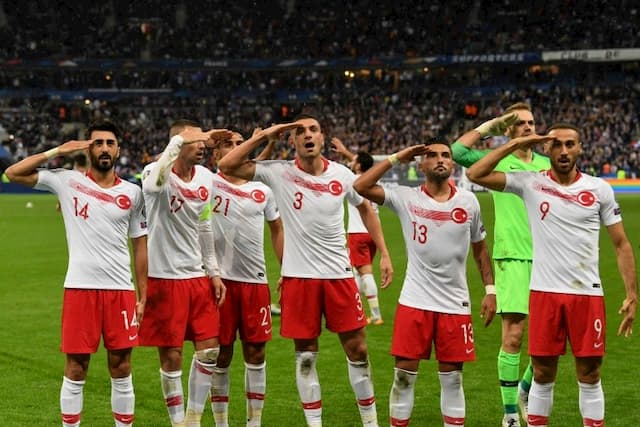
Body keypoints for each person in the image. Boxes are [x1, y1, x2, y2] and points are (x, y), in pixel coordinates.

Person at [218, 116, 393, 427]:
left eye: (314, 130)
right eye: (300, 132)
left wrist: (385, 254)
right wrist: (267, 135)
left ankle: (371, 422)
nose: (308, 135)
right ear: (292, 141)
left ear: (323, 138)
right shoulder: (279, 172)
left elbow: (365, 207)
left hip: (339, 276)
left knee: (359, 349)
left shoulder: (342, 174)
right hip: (299, 279)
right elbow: (228, 166)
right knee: (306, 356)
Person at [466, 123, 638, 427]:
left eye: (570, 144)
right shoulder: (529, 183)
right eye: (556, 145)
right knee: (543, 374)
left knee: (590, 374)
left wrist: (632, 293)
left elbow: (621, 243)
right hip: (544, 293)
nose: (563, 151)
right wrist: (515, 142)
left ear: (581, 148)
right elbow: (474, 173)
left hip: (587, 293)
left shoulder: (599, 189)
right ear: (545, 148)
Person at [5, 120, 148, 427]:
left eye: (110, 143)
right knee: (76, 367)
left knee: (121, 366)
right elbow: (12, 173)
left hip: (120, 291)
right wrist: (56, 150)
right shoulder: (67, 181)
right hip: (80, 289)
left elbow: (140, 246)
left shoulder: (133, 194)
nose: (105, 148)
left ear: (119, 149)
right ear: (88, 147)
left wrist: (143, 295)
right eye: (98, 143)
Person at [353, 139, 497, 427]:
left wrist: (490, 290)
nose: (440, 159)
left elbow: (480, 250)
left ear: (452, 164)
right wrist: (397, 156)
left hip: (455, 304)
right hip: (414, 301)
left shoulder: (468, 202)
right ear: (421, 164)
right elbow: (361, 187)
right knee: (403, 378)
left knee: (453, 380)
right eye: (432, 155)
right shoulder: (406, 198)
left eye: (445, 155)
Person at [452, 103, 549, 426]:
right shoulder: (498, 160)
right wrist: (491, 126)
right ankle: (509, 416)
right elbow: (457, 151)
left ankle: (523, 388)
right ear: (508, 129)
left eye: (531, 122)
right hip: (514, 256)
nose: (527, 127)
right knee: (515, 336)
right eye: (519, 123)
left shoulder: (547, 164)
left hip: (551, 257)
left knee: (553, 337)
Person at [139, 119, 231, 427]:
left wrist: (214, 272)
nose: (203, 145)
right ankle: (178, 422)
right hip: (164, 279)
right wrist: (179, 141)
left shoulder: (205, 177)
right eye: (196, 141)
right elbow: (152, 187)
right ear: (177, 143)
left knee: (210, 351)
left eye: (204, 141)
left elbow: (204, 224)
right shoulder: (155, 172)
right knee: (172, 357)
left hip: (196, 277)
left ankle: (192, 419)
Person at [208, 130, 284, 427]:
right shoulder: (208, 182)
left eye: (241, 145)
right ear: (216, 154)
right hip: (220, 282)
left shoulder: (262, 191)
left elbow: (277, 229)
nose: (238, 149)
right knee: (220, 353)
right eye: (229, 145)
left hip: (255, 282)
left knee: (256, 352)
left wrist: (286, 269)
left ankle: (254, 423)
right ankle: (221, 423)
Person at [332, 137, 385, 325]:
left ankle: (376, 314)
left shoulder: (353, 180)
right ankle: (355, 308)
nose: (350, 162)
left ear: (358, 165)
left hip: (357, 233)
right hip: (373, 233)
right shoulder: (373, 181)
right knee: (355, 272)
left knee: (365, 273)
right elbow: (362, 161)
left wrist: (345, 153)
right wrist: (346, 151)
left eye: (353, 161)